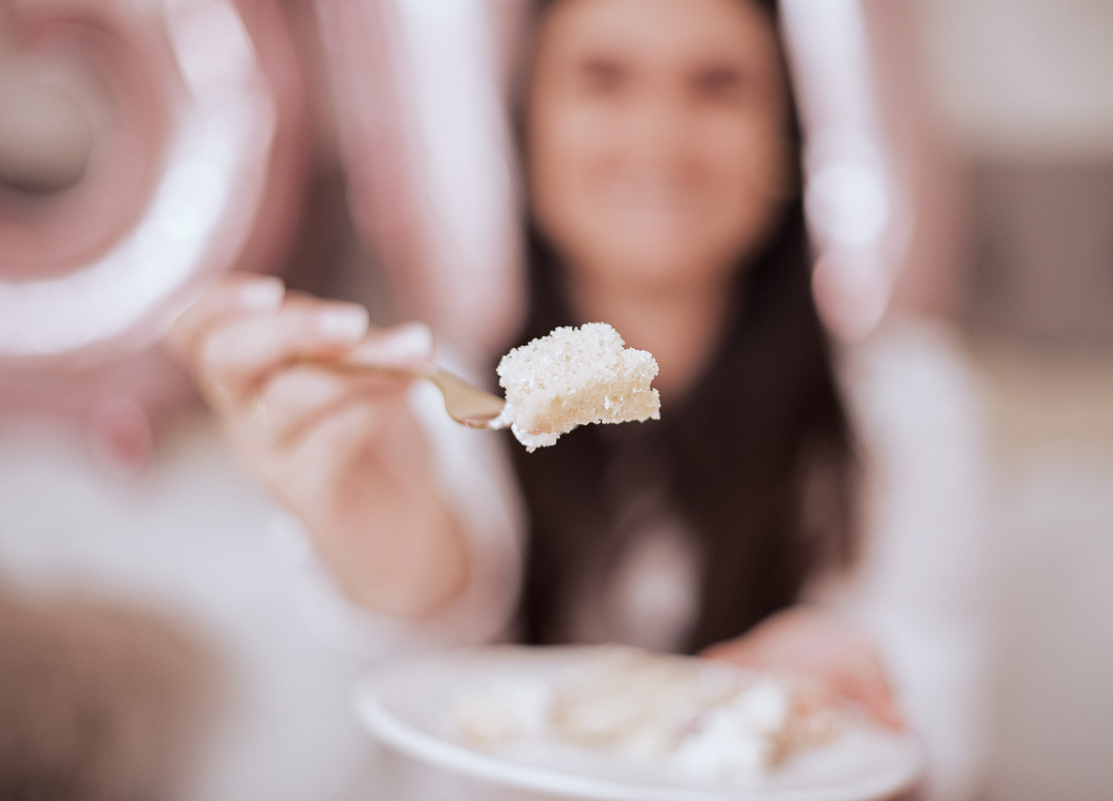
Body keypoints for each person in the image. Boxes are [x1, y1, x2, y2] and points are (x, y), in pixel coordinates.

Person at [170, 1, 990, 798]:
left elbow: (942, 738)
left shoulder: (902, 402)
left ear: (785, 133)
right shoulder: (436, 393)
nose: (659, 137)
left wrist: (847, 711)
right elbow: (445, 590)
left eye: (717, 84)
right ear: (527, 128)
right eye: (604, 79)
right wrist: (390, 544)